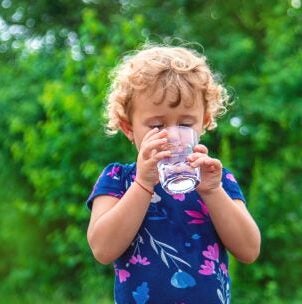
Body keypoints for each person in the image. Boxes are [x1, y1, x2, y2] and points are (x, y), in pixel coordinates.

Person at [86, 43, 261, 304]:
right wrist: (143, 184)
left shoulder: (218, 180)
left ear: (206, 121)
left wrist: (213, 192)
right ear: (128, 128)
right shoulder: (117, 179)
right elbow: (102, 249)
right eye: (157, 125)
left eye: (185, 123)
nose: (173, 135)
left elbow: (249, 250)